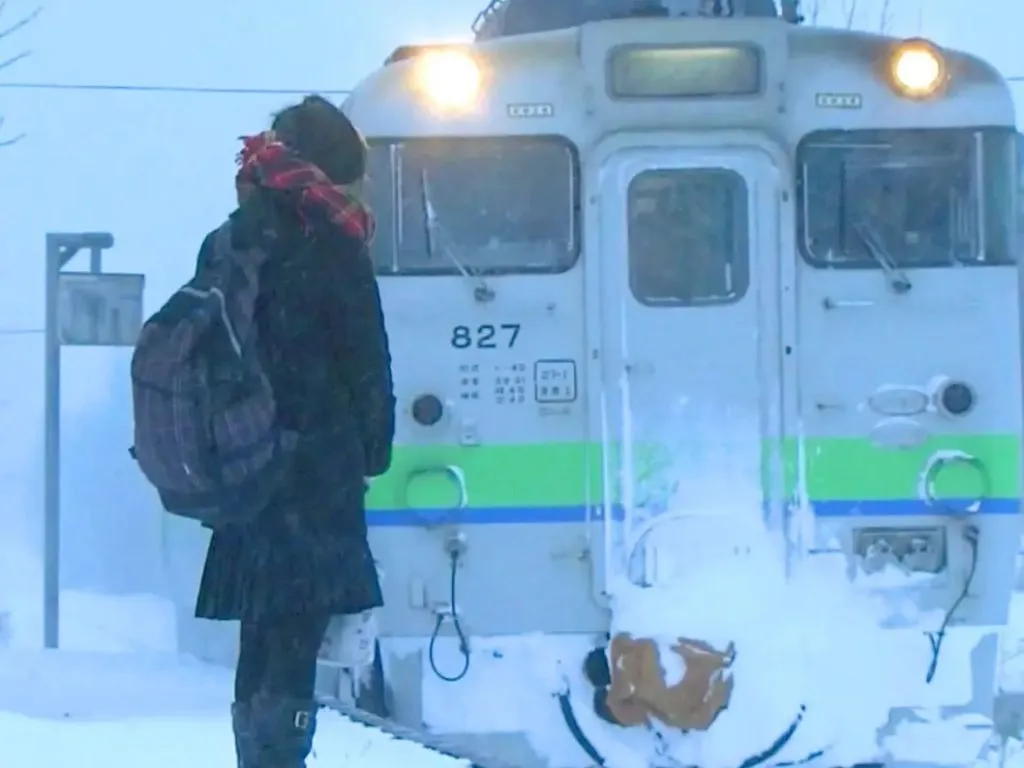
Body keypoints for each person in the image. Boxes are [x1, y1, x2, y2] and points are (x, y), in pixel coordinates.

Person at [192, 95, 396, 768]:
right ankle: (284, 757)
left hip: (247, 467)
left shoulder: (228, 238)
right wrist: (372, 448)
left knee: (259, 630)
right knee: (297, 635)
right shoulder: (333, 242)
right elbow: (366, 358)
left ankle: (255, 755)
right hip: (314, 467)